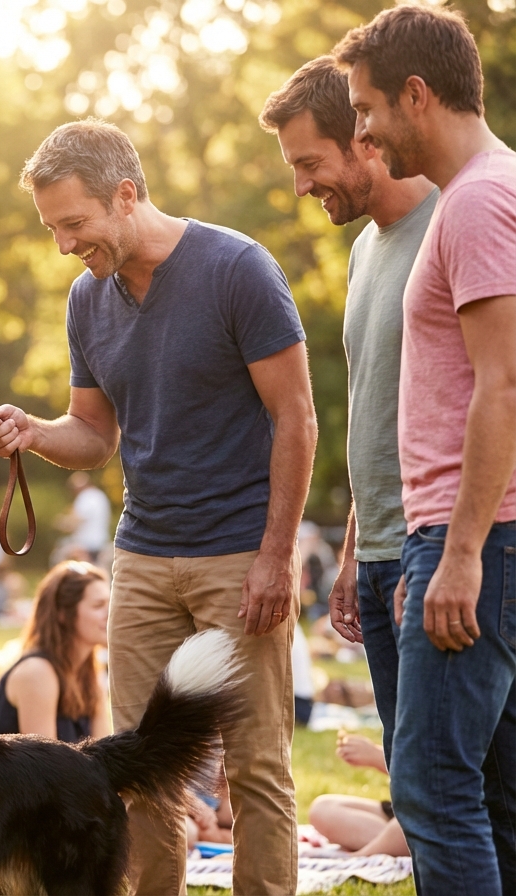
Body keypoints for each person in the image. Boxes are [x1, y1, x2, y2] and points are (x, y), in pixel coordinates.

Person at [0, 119, 317, 895]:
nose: (65, 245)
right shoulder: (86, 299)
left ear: (125, 196)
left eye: (74, 224)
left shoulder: (238, 268)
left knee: (255, 763)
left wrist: (276, 553)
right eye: (52, 229)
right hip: (141, 555)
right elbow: (94, 436)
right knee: (136, 763)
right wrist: (33, 433)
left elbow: (296, 415)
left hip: (240, 552)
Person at [335, 8, 516, 892]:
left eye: (367, 109)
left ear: (417, 94)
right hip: (463, 536)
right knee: (496, 791)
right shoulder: (486, 193)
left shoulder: (478, 199)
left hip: (480, 539)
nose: (361, 131)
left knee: (432, 790)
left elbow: (503, 383)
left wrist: (461, 549)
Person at [259, 55, 437, 766]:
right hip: (381, 554)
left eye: (309, 163)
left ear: (364, 138)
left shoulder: (449, 226)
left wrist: (440, 557)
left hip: (439, 550)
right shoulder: (366, 250)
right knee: (412, 778)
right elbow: (383, 410)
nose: (301, 187)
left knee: (460, 787)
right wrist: (358, 550)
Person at [0, 560, 111, 742]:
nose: (111, 613)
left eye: (110, 603)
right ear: (64, 614)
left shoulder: (91, 673)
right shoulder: (37, 672)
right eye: (98, 606)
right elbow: (48, 768)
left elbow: (104, 754)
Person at [308, 732, 409, 858]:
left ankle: (358, 856)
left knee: (412, 817)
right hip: (400, 812)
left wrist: (376, 755)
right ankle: (390, 845)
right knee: (322, 808)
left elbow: (428, 781)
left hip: (426, 813)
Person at [63, 472, 111, 563]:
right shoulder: (100, 495)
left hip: (86, 543)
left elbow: (75, 522)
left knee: (60, 553)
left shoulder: (85, 497)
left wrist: (63, 522)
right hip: (102, 541)